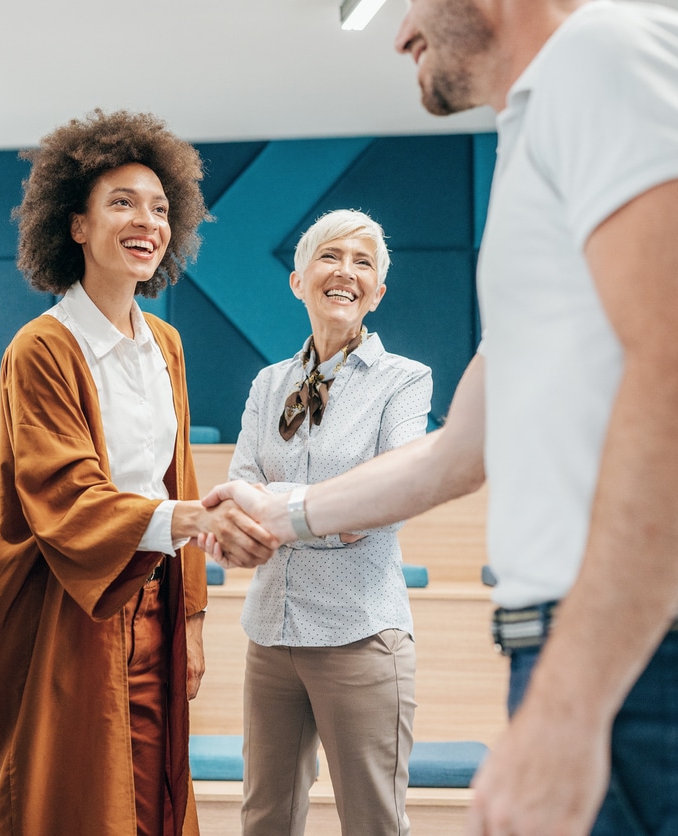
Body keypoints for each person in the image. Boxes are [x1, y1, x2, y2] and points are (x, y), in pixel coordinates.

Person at [204, 1, 678, 833]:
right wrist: (286, 511)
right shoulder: (544, 131)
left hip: (670, 655)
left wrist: (566, 706)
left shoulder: (610, 57)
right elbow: (462, 449)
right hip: (609, 651)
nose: (399, 32)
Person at [0, 109, 277, 836]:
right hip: (67, 606)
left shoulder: (164, 342)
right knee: (77, 799)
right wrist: (196, 521)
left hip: (155, 597)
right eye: (122, 203)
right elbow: (65, 496)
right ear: (74, 225)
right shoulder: (42, 347)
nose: (148, 221)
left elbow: (180, 475)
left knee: (150, 798)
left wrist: (191, 619)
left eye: (161, 208)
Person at [228, 210, 430, 835]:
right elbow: (240, 494)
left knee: (371, 822)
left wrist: (280, 507)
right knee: (265, 816)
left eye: (363, 262)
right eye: (330, 256)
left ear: (378, 292)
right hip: (272, 634)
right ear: (298, 280)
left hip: (360, 635)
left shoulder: (404, 381)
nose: (345, 272)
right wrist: (326, 505)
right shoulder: (268, 385)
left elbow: (390, 495)